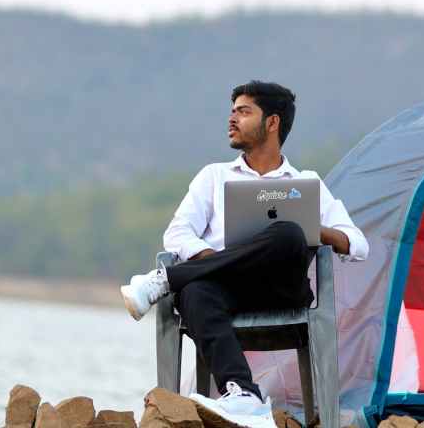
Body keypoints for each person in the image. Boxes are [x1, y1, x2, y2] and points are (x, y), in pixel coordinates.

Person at [121, 81, 369, 427]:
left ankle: (166, 280)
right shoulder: (213, 177)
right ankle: (244, 394)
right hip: (224, 293)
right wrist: (212, 259)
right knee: (194, 291)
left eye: (243, 111)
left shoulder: (304, 182)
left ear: (272, 122)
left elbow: (357, 244)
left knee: (288, 233)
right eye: (232, 111)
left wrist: (310, 224)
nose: (232, 118)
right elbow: (176, 233)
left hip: (281, 291)